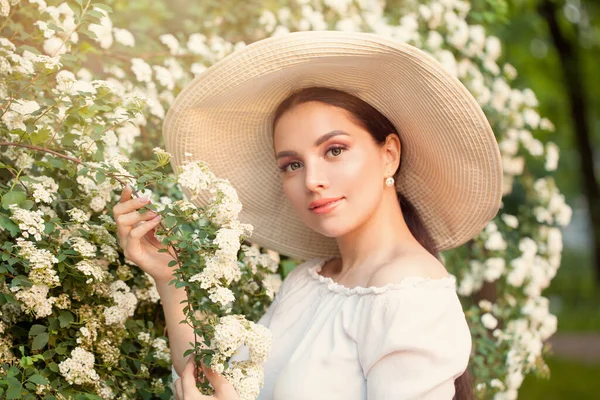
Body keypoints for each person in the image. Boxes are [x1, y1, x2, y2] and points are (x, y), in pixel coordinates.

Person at [114, 31, 502, 399]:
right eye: (292, 165)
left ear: (389, 155)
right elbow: (220, 383)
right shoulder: (310, 281)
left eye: (334, 150)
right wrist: (171, 277)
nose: (312, 180)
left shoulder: (410, 295)